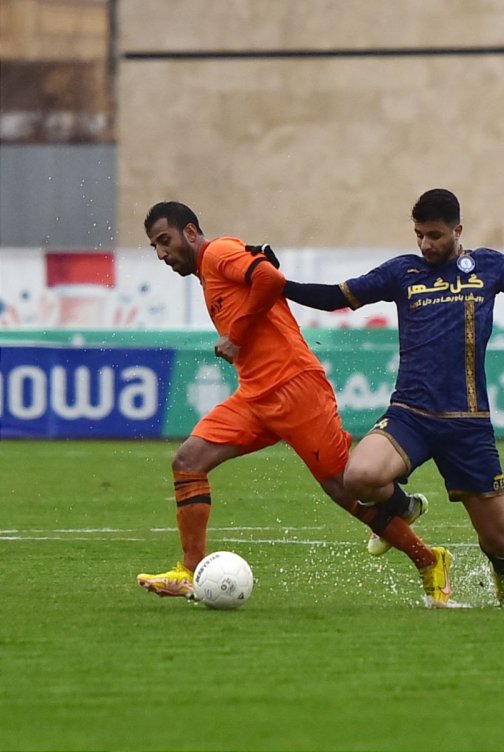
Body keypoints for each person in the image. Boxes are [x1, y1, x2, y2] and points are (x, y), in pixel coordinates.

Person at [247, 189, 504, 605]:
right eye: (419, 235)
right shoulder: (402, 273)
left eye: (434, 235)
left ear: (458, 230)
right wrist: (275, 278)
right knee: (358, 477)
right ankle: (405, 508)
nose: (426, 245)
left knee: (499, 541)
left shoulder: (489, 267)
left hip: (468, 424)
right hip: (410, 415)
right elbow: (334, 298)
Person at [137, 201, 453, 607]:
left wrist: (236, 335)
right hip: (255, 394)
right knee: (188, 462)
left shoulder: (216, 253)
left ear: (191, 232)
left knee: (343, 489)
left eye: (165, 241)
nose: (162, 254)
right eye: (154, 247)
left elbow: (270, 278)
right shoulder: (208, 271)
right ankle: (188, 570)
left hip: (295, 387)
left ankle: (430, 561)